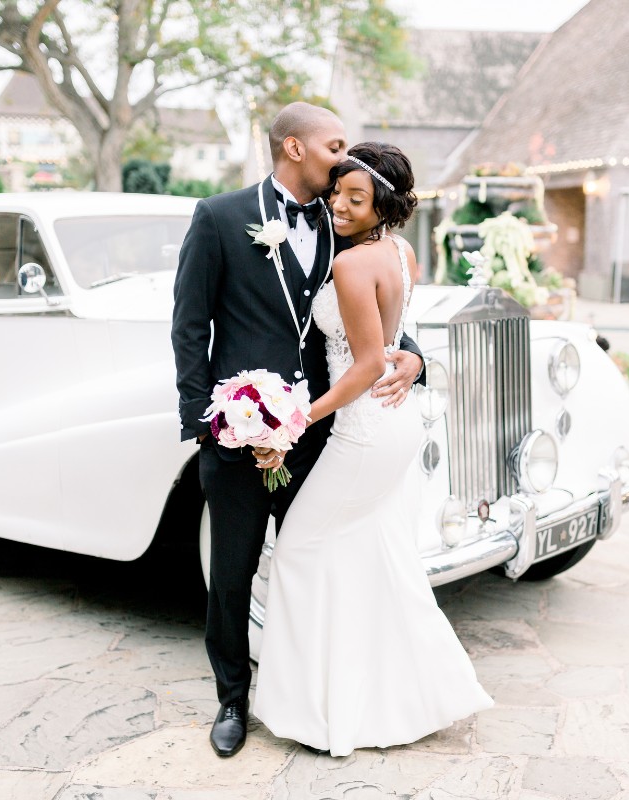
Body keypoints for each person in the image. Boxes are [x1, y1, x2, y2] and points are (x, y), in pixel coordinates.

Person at [171, 103, 426, 759]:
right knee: (230, 575)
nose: (344, 159)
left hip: (322, 437)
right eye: (334, 145)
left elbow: (373, 316)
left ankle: (314, 692)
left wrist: (418, 359)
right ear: (293, 147)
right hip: (239, 433)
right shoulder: (220, 218)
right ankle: (233, 700)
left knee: (318, 566)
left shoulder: (345, 216)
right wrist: (208, 422)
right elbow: (189, 328)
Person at [253, 143, 493, 757]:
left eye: (355, 200)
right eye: (337, 193)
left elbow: (363, 365)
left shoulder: (352, 267)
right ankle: (397, 699)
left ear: (384, 205)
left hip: (365, 427)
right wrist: (406, 356)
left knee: (300, 551)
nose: (338, 205)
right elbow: (388, 343)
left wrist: (296, 422)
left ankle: (319, 705)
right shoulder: (400, 252)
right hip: (397, 420)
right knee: (374, 555)